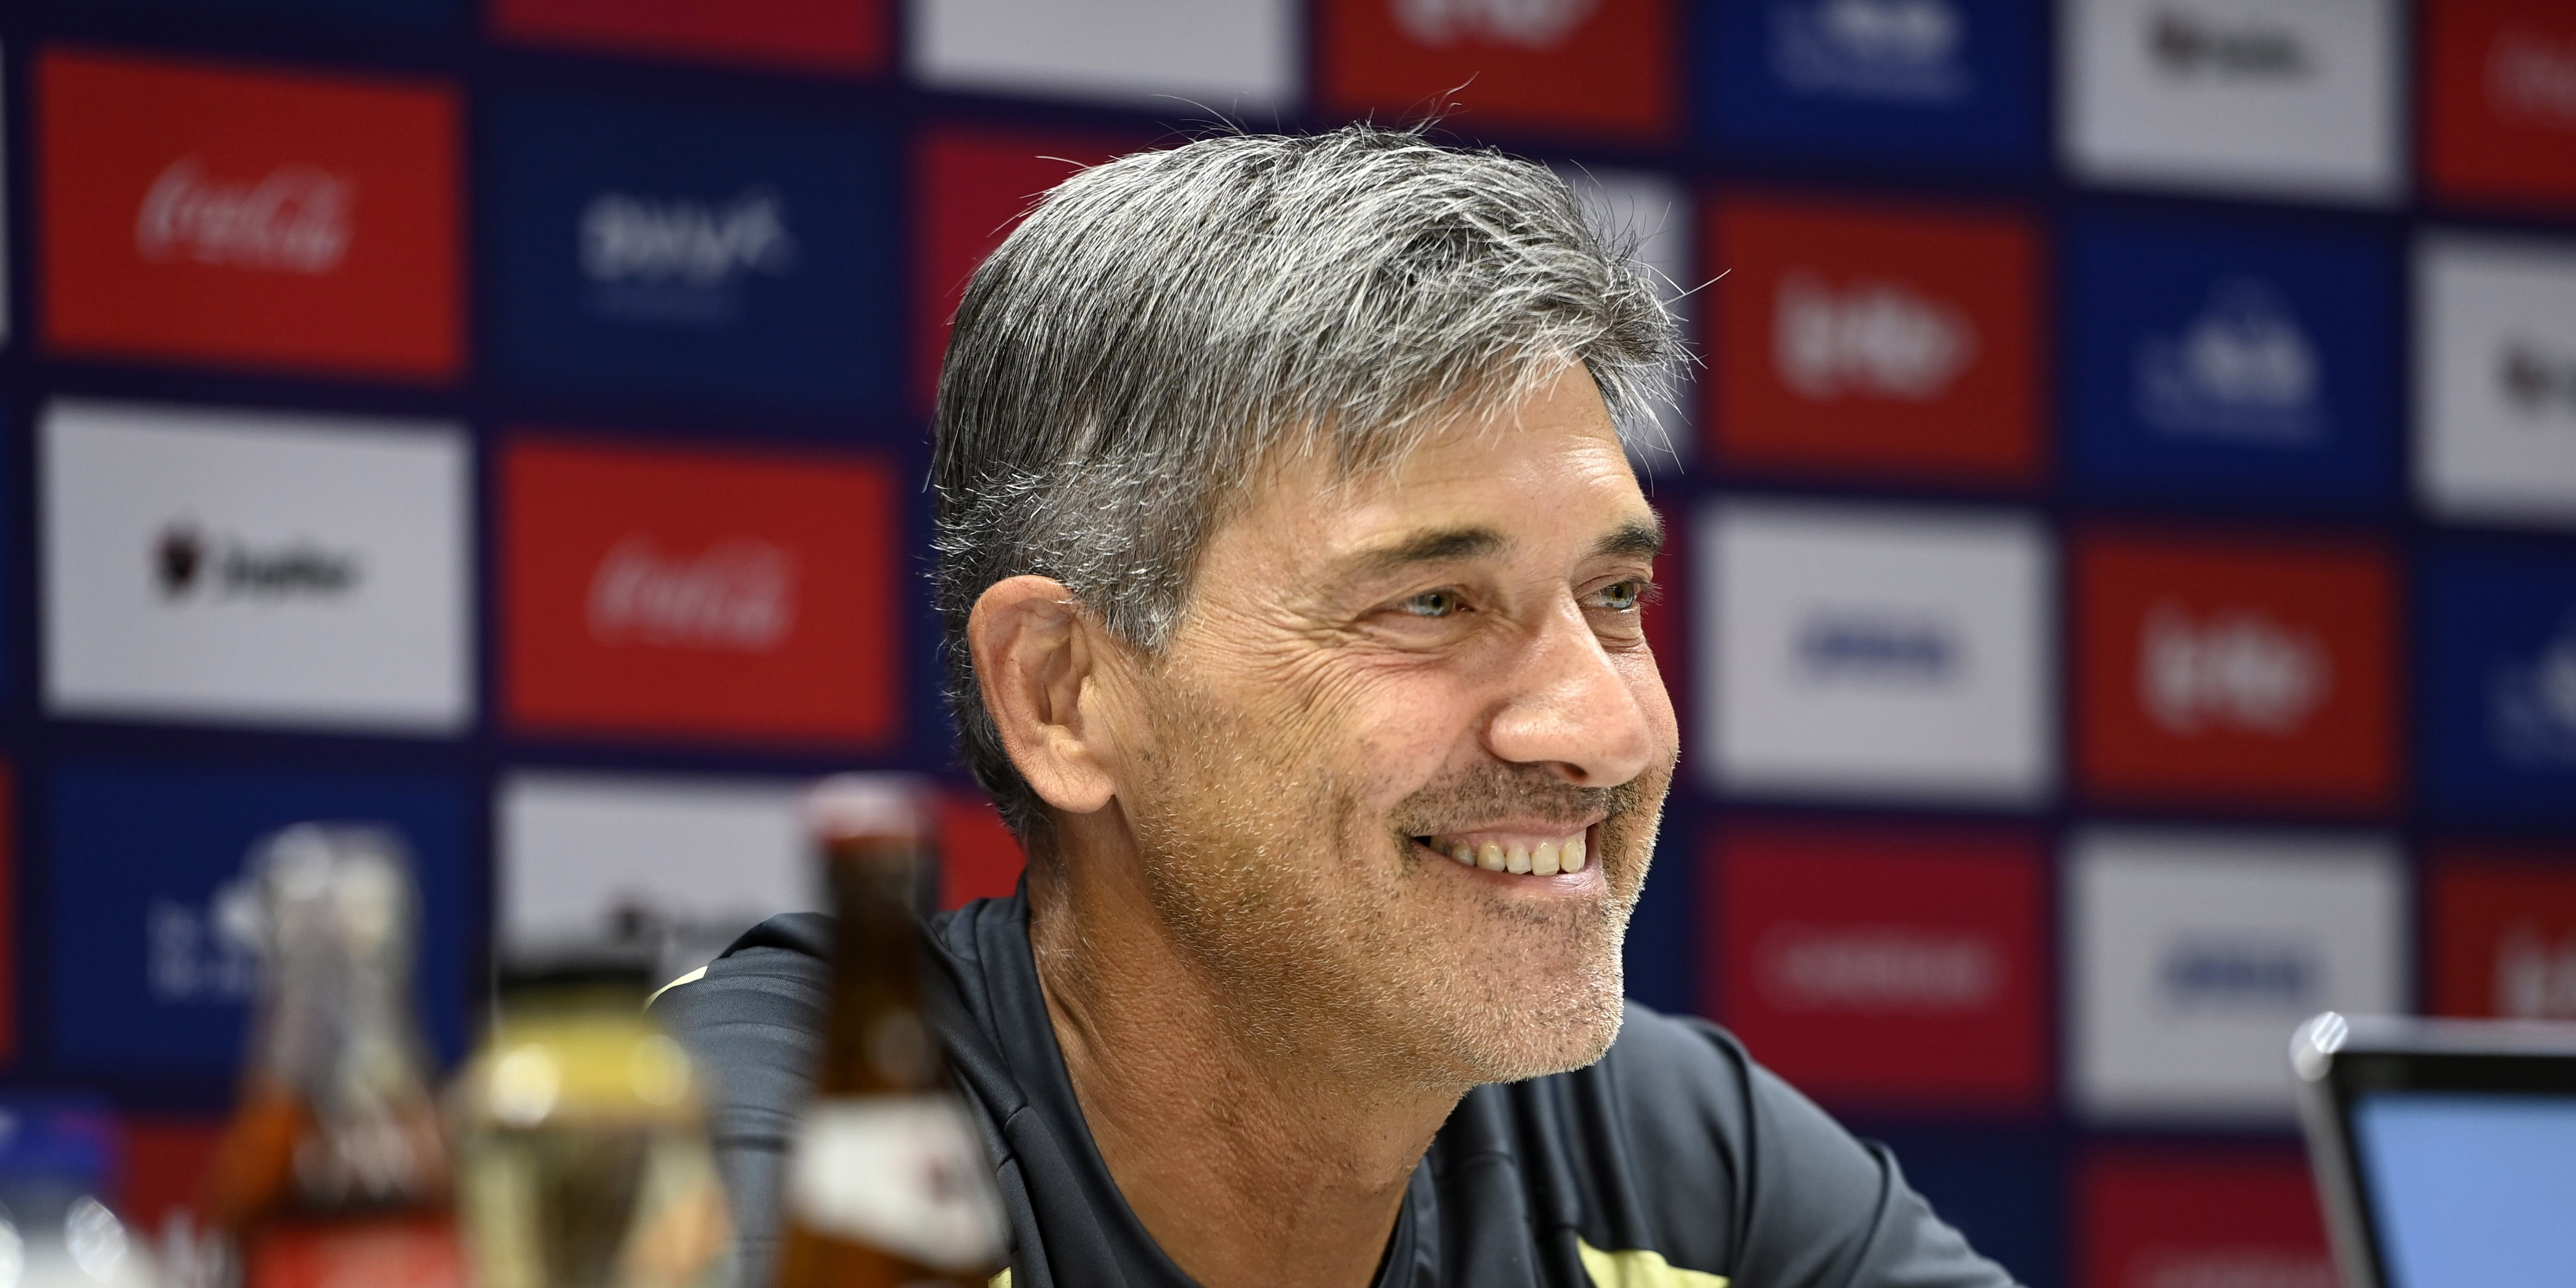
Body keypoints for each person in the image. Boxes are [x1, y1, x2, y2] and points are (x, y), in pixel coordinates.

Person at [653, 125, 2020, 1288]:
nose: (1604, 730)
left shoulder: (1672, 1158)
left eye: (1614, 597)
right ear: (1065, 693)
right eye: (1430, 604)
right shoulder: (784, 1149)